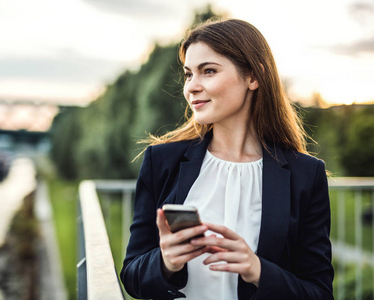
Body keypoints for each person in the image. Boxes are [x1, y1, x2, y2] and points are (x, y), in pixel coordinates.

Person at [120, 18, 333, 300]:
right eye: (188, 74)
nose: (192, 87)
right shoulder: (161, 161)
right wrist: (165, 262)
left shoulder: (306, 174)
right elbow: (132, 278)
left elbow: (319, 292)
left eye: (208, 71)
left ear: (254, 77)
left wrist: (258, 270)